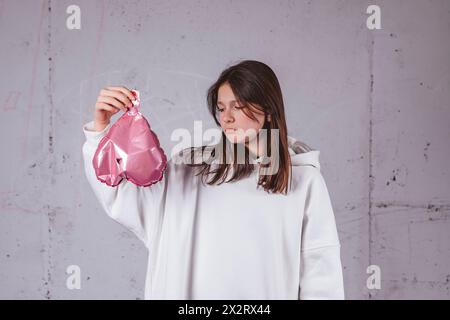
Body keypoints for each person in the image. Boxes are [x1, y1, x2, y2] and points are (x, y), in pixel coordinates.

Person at [81, 60, 345, 299]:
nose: (226, 117)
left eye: (238, 106)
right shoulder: (189, 172)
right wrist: (100, 130)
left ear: (268, 109)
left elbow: (321, 275)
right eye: (221, 108)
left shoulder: (304, 181)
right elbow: (120, 193)